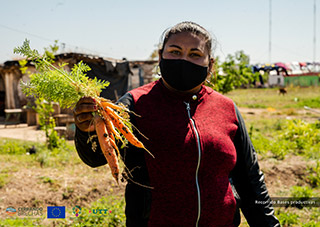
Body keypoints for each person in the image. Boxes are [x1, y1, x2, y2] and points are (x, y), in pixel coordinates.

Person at [73, 21, 280, 227]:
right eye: (175, 51)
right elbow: (95, 157)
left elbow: (250, 179)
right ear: (161, 55)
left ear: (210, 65)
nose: (183, 60)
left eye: (195, 55)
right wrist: (87, 132)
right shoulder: (134, 104)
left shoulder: (226, 108)